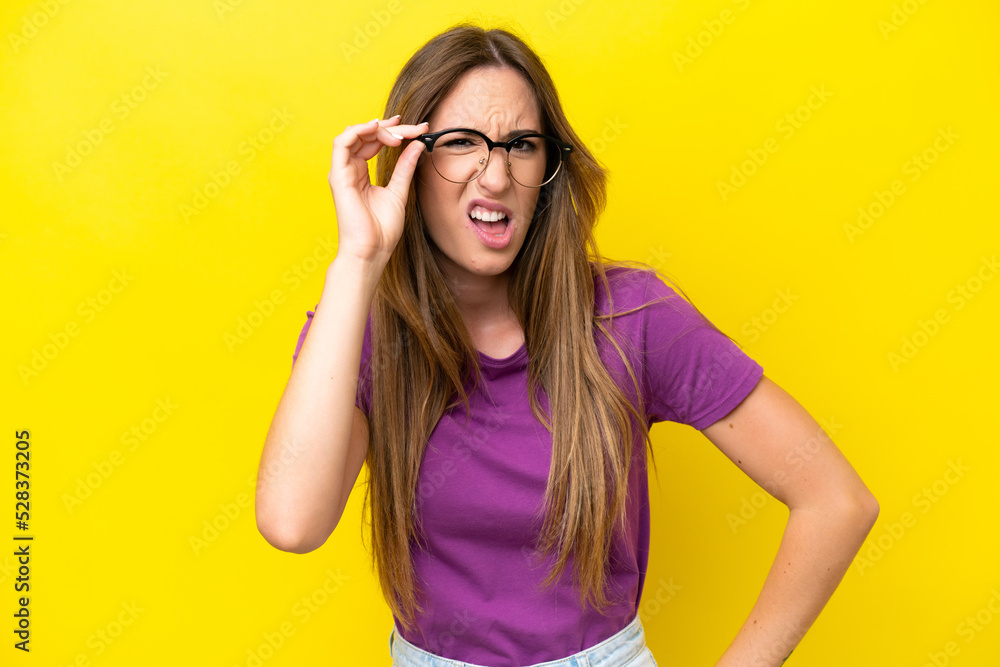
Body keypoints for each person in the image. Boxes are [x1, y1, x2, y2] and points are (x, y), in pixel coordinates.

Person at [255, 22, 879, 667]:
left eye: (521, 145)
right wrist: (358, 261)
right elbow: (291, 523)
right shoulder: (360, 330)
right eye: (462, 142)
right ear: (408, 160)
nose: (495, 177)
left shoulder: (633, 318)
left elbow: (836, 501)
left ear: (548, 170)